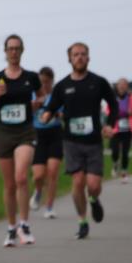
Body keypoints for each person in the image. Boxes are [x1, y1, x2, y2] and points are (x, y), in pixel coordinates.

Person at [40, 42, 116, 239]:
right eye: (75, 54)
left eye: (83, 54)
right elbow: (52, 105)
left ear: (88, 58)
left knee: (93, 185)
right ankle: (82, 221)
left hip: (94, 141)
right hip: (71, 141)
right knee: (78, 181)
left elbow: (113, 104)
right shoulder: (62, 86)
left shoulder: (98, 82)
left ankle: (94, 199)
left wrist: (110, 124)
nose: (79, 57)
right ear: (70, 59)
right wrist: (47, 115)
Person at [0, 34, 40, 246]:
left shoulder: (31, 77)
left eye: (17, 48)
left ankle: (24, 225)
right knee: (9, 184)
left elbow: (42, 96)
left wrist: (36, 104)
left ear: (22, 51)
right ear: (5, 52)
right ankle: (11, 227)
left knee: (21, 178)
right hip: (4, 133)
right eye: (10, 49)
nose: (14, 52)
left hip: (25, 131)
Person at [30, 66, 62, 218]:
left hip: (55, 134)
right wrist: (33, 107)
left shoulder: (57, 95)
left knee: (52, 172)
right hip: (38, 135)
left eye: (47, 82)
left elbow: (64, 113)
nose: (44, 85)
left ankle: (49, 207)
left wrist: (57, 114)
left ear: (52, 82)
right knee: (38, 176)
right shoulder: (33, 95)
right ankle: (38, 191)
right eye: (41, 82)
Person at [109, 78, 132, 182]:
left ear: (127, 86)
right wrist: (116, 114)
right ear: (117, 86)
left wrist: (131, 114)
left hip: (127, 128)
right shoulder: (113, 97)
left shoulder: (131, 97)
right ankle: (115, 163)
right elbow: (108, 110)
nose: (122, 86)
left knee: (125, 152)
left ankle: (124, 172)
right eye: (120, 84)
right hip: (115, 128)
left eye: (124, 84)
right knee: (115, 151)